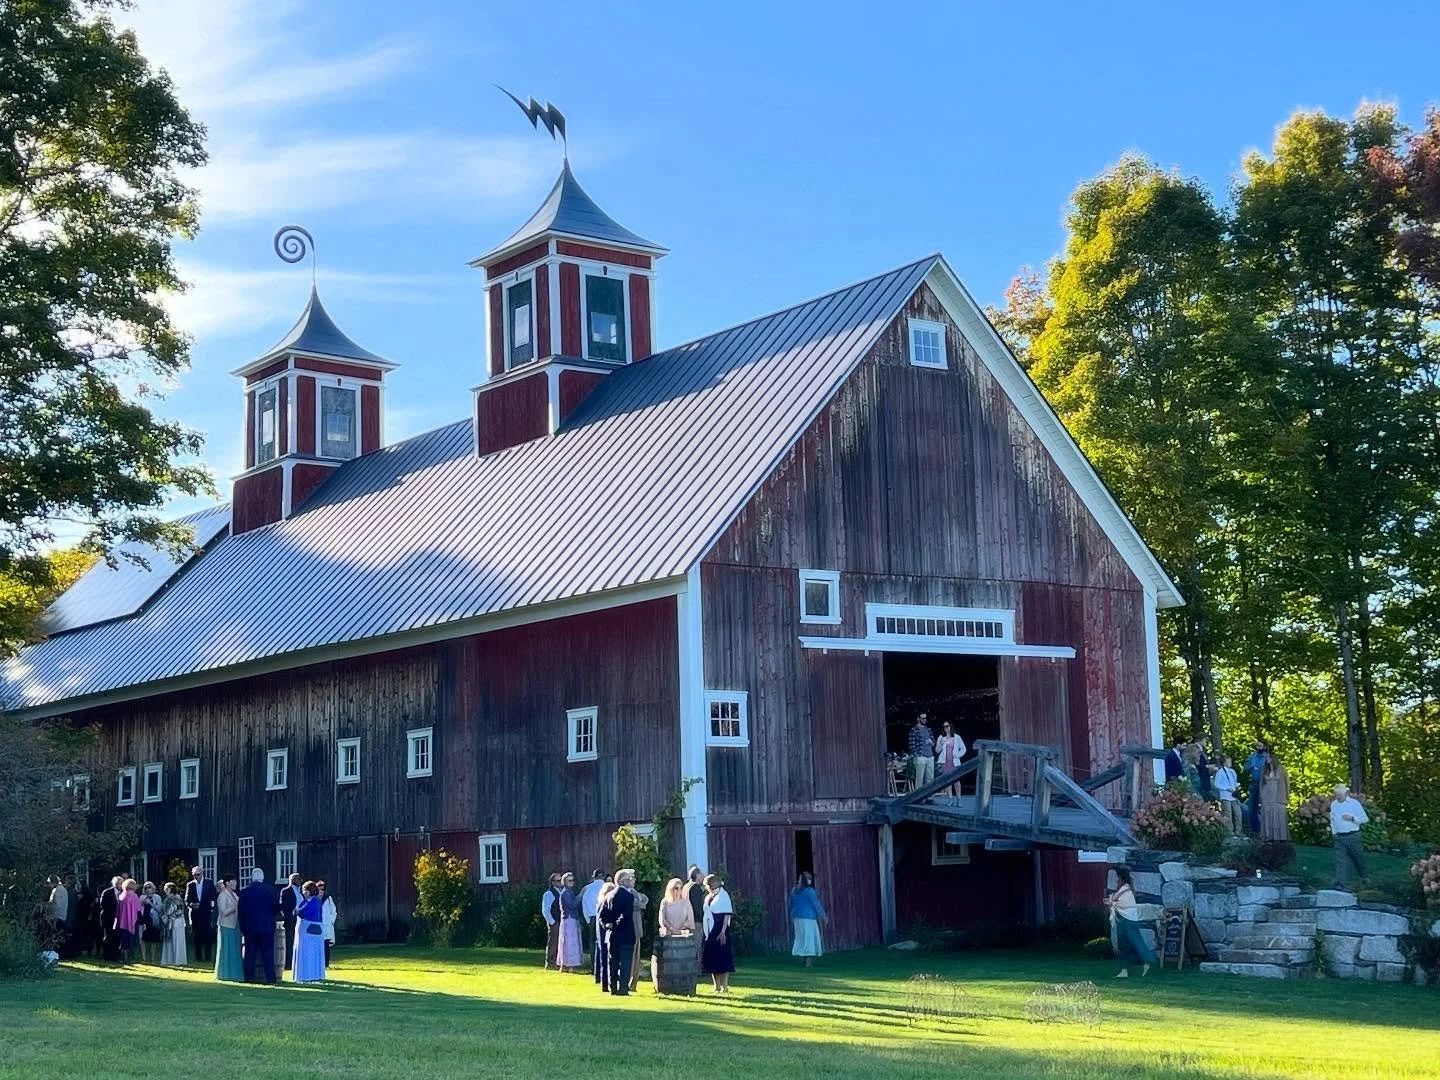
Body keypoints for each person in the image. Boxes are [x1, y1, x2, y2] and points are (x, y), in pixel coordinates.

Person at [1105, 867, 1154, 977]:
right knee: (1123, 945)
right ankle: (1124, 970)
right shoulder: (1122, 890)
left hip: (1128, 921)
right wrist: (1111, 901)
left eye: (1117, 877)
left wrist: (1111, 902)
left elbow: (1122, 904)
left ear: (1121, 878)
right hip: (1122, 920)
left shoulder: (1126, 891)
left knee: (1136, 942)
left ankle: (1146, 962)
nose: (1116, 880)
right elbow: (1116, 902)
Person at [239, 868, 281, 984]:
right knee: (268, 954)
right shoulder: (271, 891)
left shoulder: (244, 892)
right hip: (267, 927)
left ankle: (249, 978)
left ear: (252, 878)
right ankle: (271, 978)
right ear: (262, 878)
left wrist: (243, 928)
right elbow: (276, 908)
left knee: (250, 953)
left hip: (250, 928)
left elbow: (241, 912)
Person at [598, 870, 637, 995]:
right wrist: (616, 924)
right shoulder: (628, 896)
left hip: (611, 935)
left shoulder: (608, 896)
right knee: (625, 963)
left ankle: (613, 988)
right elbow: (625, 915)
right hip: (625, 934)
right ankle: (623, 988)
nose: (631, 881)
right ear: (622, 881)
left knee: (613, 962)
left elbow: (601, 915)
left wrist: (607, 925)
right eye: (629, 879)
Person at [1330, 784, 1370, 888]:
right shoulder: (1334, 804)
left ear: (1346, 793)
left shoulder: (1354, 804)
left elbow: (1365, 819)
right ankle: (1340, 882)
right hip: (1339, 837)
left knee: (1358, 858)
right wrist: (1334, 833)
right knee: (1340, 860)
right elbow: (1332, 819)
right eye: (1336, 795)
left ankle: (1364, 877)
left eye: (1340, 795)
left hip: (1353, 836)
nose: (1338, 797)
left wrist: (1352, 818)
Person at [701, 873, 735, 993]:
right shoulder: (709, 897)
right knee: (713, 958)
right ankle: (716, 986)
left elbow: (726, 915)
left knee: (723, 958)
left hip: (720, 928)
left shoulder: (724, 896)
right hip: (711, 929)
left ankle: (725, 986)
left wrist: (723, 932)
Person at [789, 872, 828, 967]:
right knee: (810, 939)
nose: (810, 880)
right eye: (809, 878)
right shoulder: (810, 891)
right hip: (808, 918)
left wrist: (792, 914)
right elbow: (816, 904)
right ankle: (808, 962)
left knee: (801, 938)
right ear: (806, 880)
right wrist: (824, 916)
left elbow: (790, 903)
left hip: (797, 918)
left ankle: (802, 959)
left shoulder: (794, 890)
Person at [291, 881, 326, 984]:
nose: (304, 892)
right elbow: (296, 911)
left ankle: (312, 975)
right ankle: (303, 975)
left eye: (306, 890)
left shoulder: (315, 901)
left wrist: (298, 911)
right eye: (303, 890)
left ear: (311, 890)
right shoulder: (305, 901)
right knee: (304, 952)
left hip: (312, 930)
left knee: (311, 953)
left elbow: (303, 912)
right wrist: (297, 911)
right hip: (304, 930)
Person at [186, 864, 218, 964]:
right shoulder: (190, 885)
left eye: (198, 874)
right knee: (197, 936)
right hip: (195, 914)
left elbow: (214, 896)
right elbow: (186, 900)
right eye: (194, 875)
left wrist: (211, 907)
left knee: (208, 936)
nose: (196, 876)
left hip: (206, 913)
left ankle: (208, 957)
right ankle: (198, 957)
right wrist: (191, 904)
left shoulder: (209, 883)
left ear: (202, 873)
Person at [214, 876, 243, 982]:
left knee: (235, 950)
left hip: (235, 925)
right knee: (226, 950)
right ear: (227, 883)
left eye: (235, 881)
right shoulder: (222, 895)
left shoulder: (235, 895)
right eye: (233, 881)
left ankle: (235, 974)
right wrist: (235, 907)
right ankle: (225, 973)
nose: (235, 883)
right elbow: (223, 912)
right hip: (226, 926)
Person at [1258, 753, 1290, 842]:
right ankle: (1268, 836)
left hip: (1278, 796)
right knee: (1267, 814)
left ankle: (1280, 837)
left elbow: (1287, 783)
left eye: (1268, 757)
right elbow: (1261, 783)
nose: (1267, 759)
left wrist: (1287, 796)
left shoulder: (1281, 769)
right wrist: (1261, 797)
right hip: (1266, 796)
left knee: (1279, 814)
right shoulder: (1265, 770)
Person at [592, 877, 617, 990]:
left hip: (600, 934)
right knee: (607, 958)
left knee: (602, 957)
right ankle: (606, 984)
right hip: (605, 933)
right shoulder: (605, 904)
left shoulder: (599, 904)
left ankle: (601, 980)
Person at [557, 872, 583, 973]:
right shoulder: (566, 893)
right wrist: (580, 895)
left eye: (573, 880)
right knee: (570, 943)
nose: (571, 882)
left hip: (571, 918)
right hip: (569, 919)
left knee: (568, 943)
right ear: (565, 882)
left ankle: (565, 965)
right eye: (569, 881)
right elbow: (572, 905)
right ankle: (569, 965)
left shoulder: (569, 891)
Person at [160, 882, 188, 967]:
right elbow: (163, 910)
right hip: (168, 923)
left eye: (167, 889)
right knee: (168, 941)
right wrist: (164, 916)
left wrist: (170, 916)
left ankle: (178, 960)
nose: (166, 891)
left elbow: (180, 911)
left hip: (177, 922)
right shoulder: (166, 899)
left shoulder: (178, 899)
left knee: (177, 941)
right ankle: (168, 960)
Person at [934, 721, 967, 795]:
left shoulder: (957, 737)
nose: (945, 728)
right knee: (947, 780)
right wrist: (940, 743)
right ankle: (950, 798)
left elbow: (963, 748)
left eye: (947, 726)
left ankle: (958, 799)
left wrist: (958, 755)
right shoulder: (942, 737)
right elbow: (937, 751)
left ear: (951, 726)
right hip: (945, 761)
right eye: (944, 727)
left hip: (954, 761)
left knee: (956, 780)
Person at [114, 878, 143, 963]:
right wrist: (141, 920)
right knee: (131, 941)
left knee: (123, 941)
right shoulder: (134, 896)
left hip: (122, 922)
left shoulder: (122, 895)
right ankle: (130, 958)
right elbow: (138, 910)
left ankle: (124, 958)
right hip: (132, 922)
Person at [1213, 755, 1242, 833]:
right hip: (1225, 796)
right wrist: (1226, 788)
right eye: (1228, 761)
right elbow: (1216, 784)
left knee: (1238, 813)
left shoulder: (1232, 771)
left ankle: (1238, 831)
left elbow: (1235, 782)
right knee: (1227, 814)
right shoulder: (1220, 771)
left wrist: (1236, 788)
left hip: (1234, 796)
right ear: (1224, 762)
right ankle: (1229, 831)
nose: (1230, 762)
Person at [580, 869, 605, 958]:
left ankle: (594, 964)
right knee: (605, 941)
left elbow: (584, 905)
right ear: (603, 876)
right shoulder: (608, 887)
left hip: (592, 917)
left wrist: (587, 919)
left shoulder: (587, 888)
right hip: (605, 917)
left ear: (593, 877)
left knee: (593, 941)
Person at [280, 872, 303, 971]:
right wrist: (291, 914)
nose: (300, 881)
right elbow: (283, 906)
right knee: (289, 942)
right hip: (291, 920)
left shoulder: (300, 892)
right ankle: (288, 964)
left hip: (300, 920)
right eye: (298, 879)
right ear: (293, 880)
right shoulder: (286, 891)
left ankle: (297, 962)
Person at [1244, 740, 1269, 833]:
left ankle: (1265, 829)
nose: (1258, 748)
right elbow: (1245, 767)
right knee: (1252, 807)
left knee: (1264, 806)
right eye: (1257, 746)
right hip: (1254, 783)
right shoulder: (1252, 756)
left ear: (1264, 747)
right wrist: (1250, 766)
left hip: (1265, 784)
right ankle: (1254, 829)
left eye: (1260, 746)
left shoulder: (1267, 757)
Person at [540, 872, 563, 970]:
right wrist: (552, 922)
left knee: (559, 942)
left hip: (560, 921)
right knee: (553, 943)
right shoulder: (549, 893)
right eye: (558, 880)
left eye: (560, 880)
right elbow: (545, 909)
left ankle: (557, 962)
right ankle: (550, 962)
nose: (560, 882)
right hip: (554, 921)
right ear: (553, 882)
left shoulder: (560, 892)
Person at [908, 714, 936, 789]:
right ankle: (918, 797)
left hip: (930, 756)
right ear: (918, 719)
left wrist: (931, 742)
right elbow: (911, 744)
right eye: (923, 718)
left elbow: (933, 742)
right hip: (920, 756)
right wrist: (917, 755)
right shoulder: (914, 730)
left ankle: (929, 795)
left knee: (930, 778)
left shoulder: (928, 729)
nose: (924, 720)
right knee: (920, 778)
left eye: (925, 718)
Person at [138, 881, 163, 964]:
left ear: (153, 888)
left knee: (153, 940)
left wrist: (151, 903)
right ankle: (144, 958)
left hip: (154, 920)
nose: (148, 889)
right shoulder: (142, 897)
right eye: (146, 888)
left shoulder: (157, 897)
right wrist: (142, 903)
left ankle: (152, 958)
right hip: (144, 920)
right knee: (143, 939)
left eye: (150, 887)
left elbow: (159, 909)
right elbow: (138, 908)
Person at [98, 876, 122, 961]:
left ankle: (115, 956)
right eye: (119, 883)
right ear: (115, 884)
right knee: (108, 937)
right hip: (108, 918)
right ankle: (106, 956)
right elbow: (103, 905)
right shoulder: (107, 892)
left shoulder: (122, 893)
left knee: (117, 937)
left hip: (118, 919)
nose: (121, 885)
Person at [319, 881, 338, 966]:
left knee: (326, 945)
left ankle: (326, 964)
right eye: (319, 889)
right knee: (318, 946)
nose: (320, 891)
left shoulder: (328, 899)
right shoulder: (314, 899)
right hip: (318, 925)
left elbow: (333, 912)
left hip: (327, 926)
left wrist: (330, 921)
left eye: (322, 889)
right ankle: (319, 963)